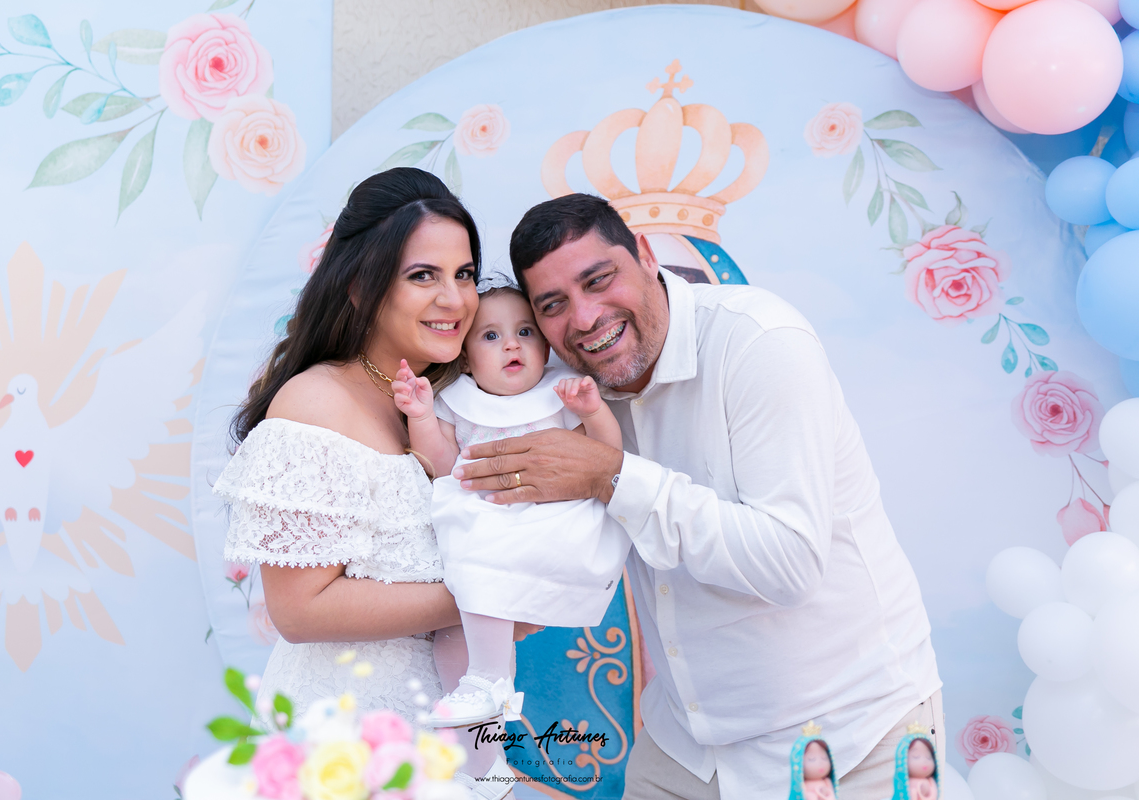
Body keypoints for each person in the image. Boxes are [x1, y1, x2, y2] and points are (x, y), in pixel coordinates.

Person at [451, 193, 944, 800]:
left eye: (599, 279)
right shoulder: (568, 393)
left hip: (851, 739)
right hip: (683, 745)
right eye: (553, 305)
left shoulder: (760, 344)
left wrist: (610, 476)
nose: (583, 317)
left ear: (647, 256)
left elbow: (789, 564)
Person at [214, 168, 532, 799]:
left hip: (455, 734)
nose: (456, 300)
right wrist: (491, 596)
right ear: (361, 286)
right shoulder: (315, 402)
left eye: (464, 274)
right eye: (424, 276)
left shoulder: (457, 403)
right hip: (345, 743)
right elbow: (299, 610)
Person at [391, 281, 630, 727]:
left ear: (544, 345)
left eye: (525, 332)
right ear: (465, 357)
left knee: (480, 571)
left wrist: (594, 412)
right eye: (491, 336)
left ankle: (488, 679)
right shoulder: (458, 403)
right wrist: (421, 417)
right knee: (455, 632)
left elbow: (605, 457)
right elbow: (445, 467)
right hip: (488, 526)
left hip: (550, 526)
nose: (510, 345)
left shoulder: (562, 395)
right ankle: (483, 724)